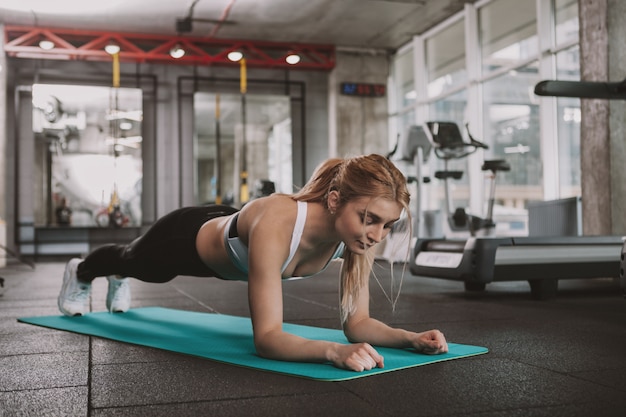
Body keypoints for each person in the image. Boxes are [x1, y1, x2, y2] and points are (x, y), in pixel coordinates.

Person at [58, 154, 448, 372]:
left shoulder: (357, 237)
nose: (377, 235)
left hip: (233, 226)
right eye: (369, 219)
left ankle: (118, 275)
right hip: (185, 238)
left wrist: (409, 339)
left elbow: (357, 324)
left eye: (387, 224)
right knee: (138, 263)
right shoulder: (280, 222)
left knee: (138, 267)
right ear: (333, 201)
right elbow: (267, 339)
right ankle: (82, 270)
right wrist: (332, 351)